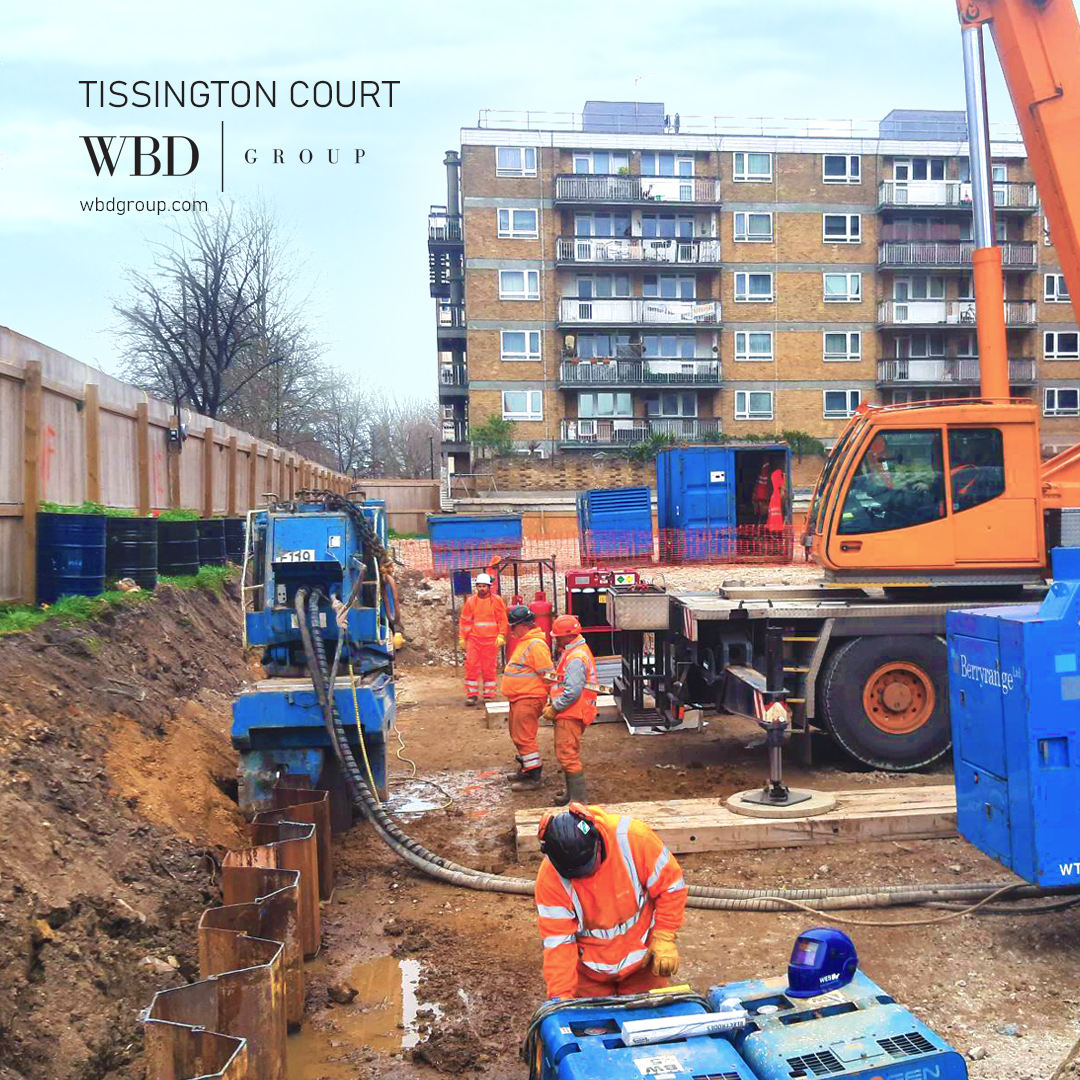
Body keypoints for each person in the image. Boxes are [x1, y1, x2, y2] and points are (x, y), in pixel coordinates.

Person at [534, 803, 687, 1000]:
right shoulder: (550, 880)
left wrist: (665, 936)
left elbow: (671, 886)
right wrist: (560, 998)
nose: (584, 877)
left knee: (649, 1023)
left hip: (643, 965)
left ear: (597, 841)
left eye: (588, 867)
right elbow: (559, 943)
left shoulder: (634, 839)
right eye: (575, 875)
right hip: (589, 976)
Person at [542, 614, 597, 805]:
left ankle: (577, 801)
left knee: (567, 754)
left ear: (568, 636)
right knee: (566, 753)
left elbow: (572, 691)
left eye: (557, 635)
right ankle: (571, 795)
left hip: (571, 712)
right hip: (573, 710)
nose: (555, 638)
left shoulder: (576, 658)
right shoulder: (575, 651)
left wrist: (555, 708)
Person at [500, 605, 554, 790]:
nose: (511, 630)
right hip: (520, 697)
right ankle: (526, 767)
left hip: (529, 698)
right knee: (517, 734)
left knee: (525, 737)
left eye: (513, 626)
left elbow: (548, 675)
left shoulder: (536, 645)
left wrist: (552, 699)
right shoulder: (526, 641)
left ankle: (534, 775)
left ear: (523, 625)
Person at [457, 572, 508, 705]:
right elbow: (465, 620)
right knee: (471, 666)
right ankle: (472, 694)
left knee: (489, 667)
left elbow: (502, 619)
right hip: (474, 639)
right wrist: (463, 637)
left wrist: (502, 635)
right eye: (479, 586)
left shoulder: (496, 601)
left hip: (491, 639)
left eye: (484, 586)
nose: (481, 588)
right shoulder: (471, 601)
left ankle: (488, 694)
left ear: (489, 587)